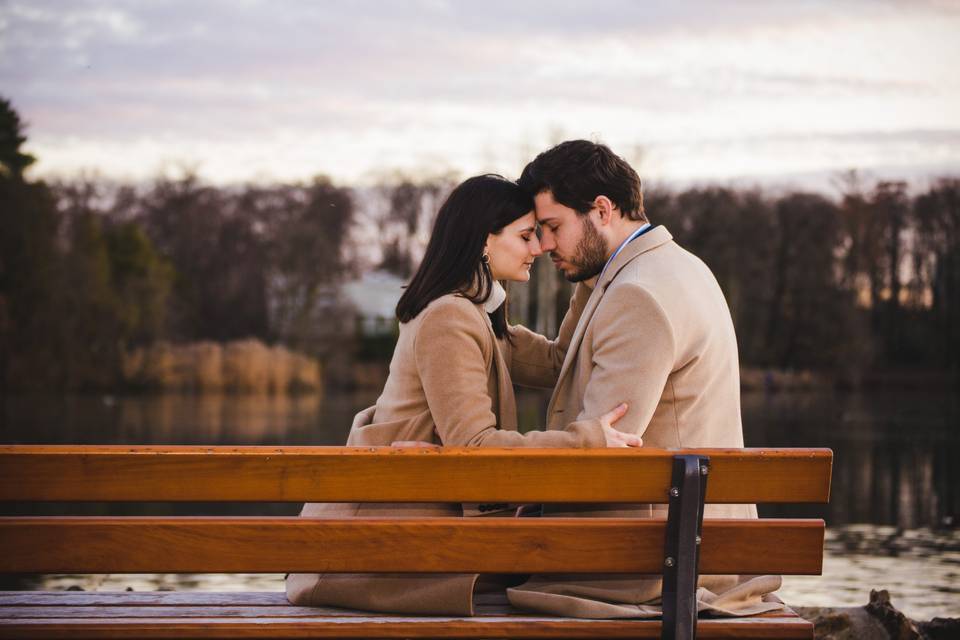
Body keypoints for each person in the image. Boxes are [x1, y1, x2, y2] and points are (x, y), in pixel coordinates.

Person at [286, 174, 639, 616]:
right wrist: (588, 441)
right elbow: (475, 445)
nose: (538, 249)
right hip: (371, 556)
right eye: (526, 236)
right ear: (482, 242)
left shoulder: (477, 316)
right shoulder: (450, 318)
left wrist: (590, 274)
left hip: (416, 538)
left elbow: (558, 361)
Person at [505, 140, 784, 619]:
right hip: (692, 538)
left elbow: (605, 454)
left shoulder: (638, 295)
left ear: (602, 210)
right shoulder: (661, 268)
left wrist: (503, 494)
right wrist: (472, 330)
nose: (545, 245)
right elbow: (558, 361)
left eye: (553, 227)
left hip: (652, 560)